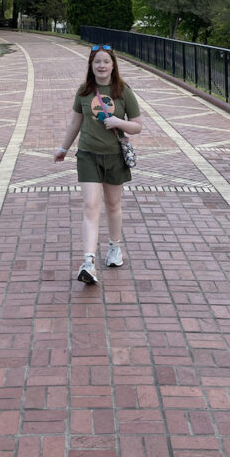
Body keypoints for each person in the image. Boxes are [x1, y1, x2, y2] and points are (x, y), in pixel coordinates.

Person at [54, 44, 142, 285]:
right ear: (91, 67)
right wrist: (64, 148)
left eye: (106, 61)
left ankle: (115, 248)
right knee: (90, 206)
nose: (101, 66)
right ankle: (88, 262)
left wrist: (118, 122)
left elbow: (137, 125)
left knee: (113, 205)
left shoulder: (123, 91)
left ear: (113, 65)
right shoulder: (84, 91)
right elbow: (75, 123)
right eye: (97, 62)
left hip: (115, 156)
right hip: (88, 155)